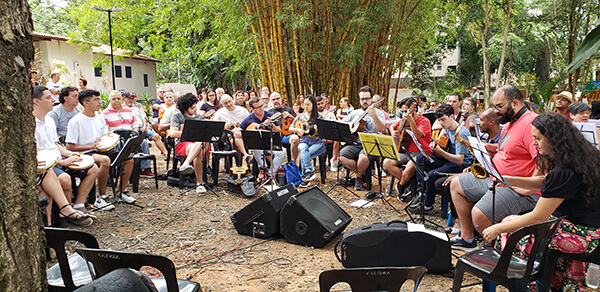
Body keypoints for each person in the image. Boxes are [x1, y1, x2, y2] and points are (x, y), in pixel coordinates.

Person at [481, 113, 600, 291]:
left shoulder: (564, 171)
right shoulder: (581, 157)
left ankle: (522, 281)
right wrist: (512, 180)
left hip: (584, 235)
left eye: (537, 138)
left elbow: (538, 216)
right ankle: (545, 279)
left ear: (554, 139)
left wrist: (497, 228)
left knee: (509, 229)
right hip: (591, 228)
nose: (534, 142)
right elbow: (547, 181)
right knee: (515, 225)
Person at [449, 85, 539, 250]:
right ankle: (467, 238)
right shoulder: (510, 123)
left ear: (515, 104)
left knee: (479, 214)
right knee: (456, 184)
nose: (496, 111)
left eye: (499, 106)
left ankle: (494, 251)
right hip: (496, 177)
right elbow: (510, 148)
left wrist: (526, 187)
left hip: (519, 188)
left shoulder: (530, 123)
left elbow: (543, 159)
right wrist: (487, 148)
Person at [33, 86, 96, 226]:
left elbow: (55, 144)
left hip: (57, 160)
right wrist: (64, 162)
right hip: (47, 164)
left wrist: (69, 154)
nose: (53, 100)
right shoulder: (31, 124)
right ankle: (63, 216)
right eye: (48, 97)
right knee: (65, 179)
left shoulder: (49, 120)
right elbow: (37, 155)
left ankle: (78, 205)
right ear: (36, 101)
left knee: (92, 168)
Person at [66, 89, 136, 209]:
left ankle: (121, 192)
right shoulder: (76, 121)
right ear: (86, 103)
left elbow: (103, 136)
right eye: (96, 99)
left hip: (100, 149)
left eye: (99, 99)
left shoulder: (99, 117)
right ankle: (101, 197)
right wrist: (91, 146)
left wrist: (109, 137)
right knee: (105, 160)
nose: (99, 102)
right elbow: (69, 146)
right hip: (85, 151)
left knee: (128, 158)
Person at [408, 104, 472, 213]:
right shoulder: (446, 129)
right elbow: (442, 144)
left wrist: (441, 151)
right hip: (447, 160)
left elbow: (460, 160)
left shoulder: (461, 133)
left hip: (459, 165)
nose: (441, 123)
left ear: (452, 116)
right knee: (420, 159)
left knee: (432, 174)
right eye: (439, 120)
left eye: (443, 120)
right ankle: (421, 192)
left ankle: (428, 205)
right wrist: (436, 145)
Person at [382, 97, 432, 199]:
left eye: (406, 111)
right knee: (387, 162)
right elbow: (392, 126)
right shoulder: (403, 120)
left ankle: (400, 186)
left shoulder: (424, 121)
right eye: (402, 111)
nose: (404, 114)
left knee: (410, 166)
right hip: (406, 152)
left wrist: (411, 121)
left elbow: (418, 135)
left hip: (421, 152)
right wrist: (393, 132)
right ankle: (408, 184)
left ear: (414, 109)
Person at [340, 85, 386, 191]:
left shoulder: (379, 113)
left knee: (363, 158)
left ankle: (359, 177)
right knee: (342, 156)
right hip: (357, 143)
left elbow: (381, 129)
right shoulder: (355, 113)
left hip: (371, 144)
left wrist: (373, 115)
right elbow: (343, 124)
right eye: (362, 99)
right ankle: (363, 173)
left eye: (367, 98)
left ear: (372, 99)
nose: (364, 101)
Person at [102, 90, 155, 178]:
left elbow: (135, 125)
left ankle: (145, 168)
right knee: (119, 144)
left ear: (122, 100)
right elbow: (105, 130)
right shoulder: (105, 113)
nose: (116, 100)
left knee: (143, 142)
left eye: (118, 98)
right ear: (110, 100)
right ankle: (119, 170)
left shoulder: (128, 111)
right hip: (115, 137)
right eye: (113, 98)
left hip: (130, 135)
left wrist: (134, 134)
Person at [239, 97, 287, 181]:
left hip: (271, 144)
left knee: (282, 152)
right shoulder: (249, 119)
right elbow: (238, 132)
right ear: (252, 109)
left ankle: (270, 173)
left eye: (262, 106)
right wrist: (251, 132)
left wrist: (272, 126)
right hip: (257, 146)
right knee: (255, 147)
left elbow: (279, 131)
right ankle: (262, 167)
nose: (261, 109)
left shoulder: (270, 115)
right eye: (258, 107)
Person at [170, 93, 209, 193]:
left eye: (195, 106)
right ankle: (199, 184)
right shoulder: (178, 116)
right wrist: (189, 134)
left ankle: (185, 164)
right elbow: (173, 133)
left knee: (200, 140)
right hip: (183, 144)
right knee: (198, 148)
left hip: (201, 145)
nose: (195, 109)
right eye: (192, 108)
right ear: (185, 109)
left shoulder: (200, 117)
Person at [288, 95, 326, 187]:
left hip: (317, 143)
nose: (306, 107)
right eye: (304, 104)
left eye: (308, 104)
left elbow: (325, 132)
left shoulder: (319, 117)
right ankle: (309, 172)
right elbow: (290, 128)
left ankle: (305, 177)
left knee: (304, 155)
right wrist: (298, 130)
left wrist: (318, 129)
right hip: (304, 142)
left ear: (313, 105)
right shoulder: (300, 117)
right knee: (303, 148)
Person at [123, 92, 168, 157]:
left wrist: (144, 126)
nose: (131, 100)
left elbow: (143, 119)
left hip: (141, 128)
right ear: (124, 99)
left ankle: (166, 154)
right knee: (141, 142)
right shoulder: (122, 109)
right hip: (130, 130)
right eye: (129, 98)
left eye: (132, 98)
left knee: (156, 136)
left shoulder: (136, 109)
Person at [213, 94, 250, 162]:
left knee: (235, 139)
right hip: (228, 137)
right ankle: (243, 159)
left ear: (233, 100)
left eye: (229, 101)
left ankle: (239, 163)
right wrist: (224, 126)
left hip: (242, 135)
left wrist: (241, 125)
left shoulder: (243, 110)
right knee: (233, 139)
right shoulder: (220, 112)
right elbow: (215, 126)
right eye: (225, 103)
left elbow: (249, 124)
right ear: (222, 104)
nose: (228, 104)